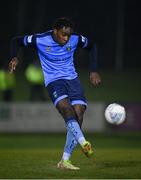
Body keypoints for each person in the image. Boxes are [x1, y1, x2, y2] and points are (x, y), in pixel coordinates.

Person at [8, 17, 101, 170]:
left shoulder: (75, 39)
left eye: (69, 35)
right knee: (66, 109)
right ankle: (84, 142)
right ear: (55, 31)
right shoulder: (40, 39)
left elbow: (92, 46)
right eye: (63, 34)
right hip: (54, 81)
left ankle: (65, 161)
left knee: (79, 112)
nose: (66, 38)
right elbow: (16, 41)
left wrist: (94, 69)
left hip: (72, 79)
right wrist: (14, 57)